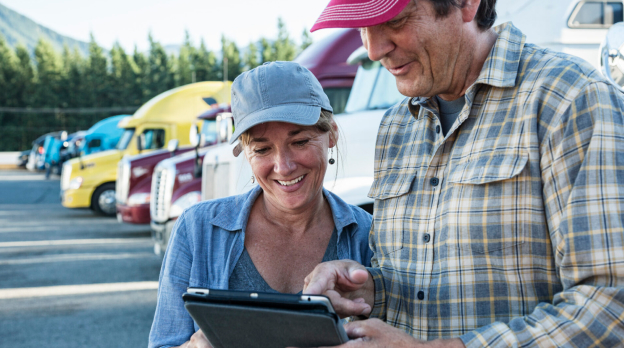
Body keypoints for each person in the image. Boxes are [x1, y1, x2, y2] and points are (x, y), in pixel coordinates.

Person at [303, 0, 624, 347]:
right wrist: (366, 288)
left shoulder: (570, 99)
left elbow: (609, 308)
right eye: (362, 26)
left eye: (394, 19)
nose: (373, 48)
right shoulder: (396, 126)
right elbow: (425, 283)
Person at [148, 61, 375, 348]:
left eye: (300, 141)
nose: (283, 166)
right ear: (245, 152)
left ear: (331, 134)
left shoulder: (367, 235)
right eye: (262, 149)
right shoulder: (196, 229)